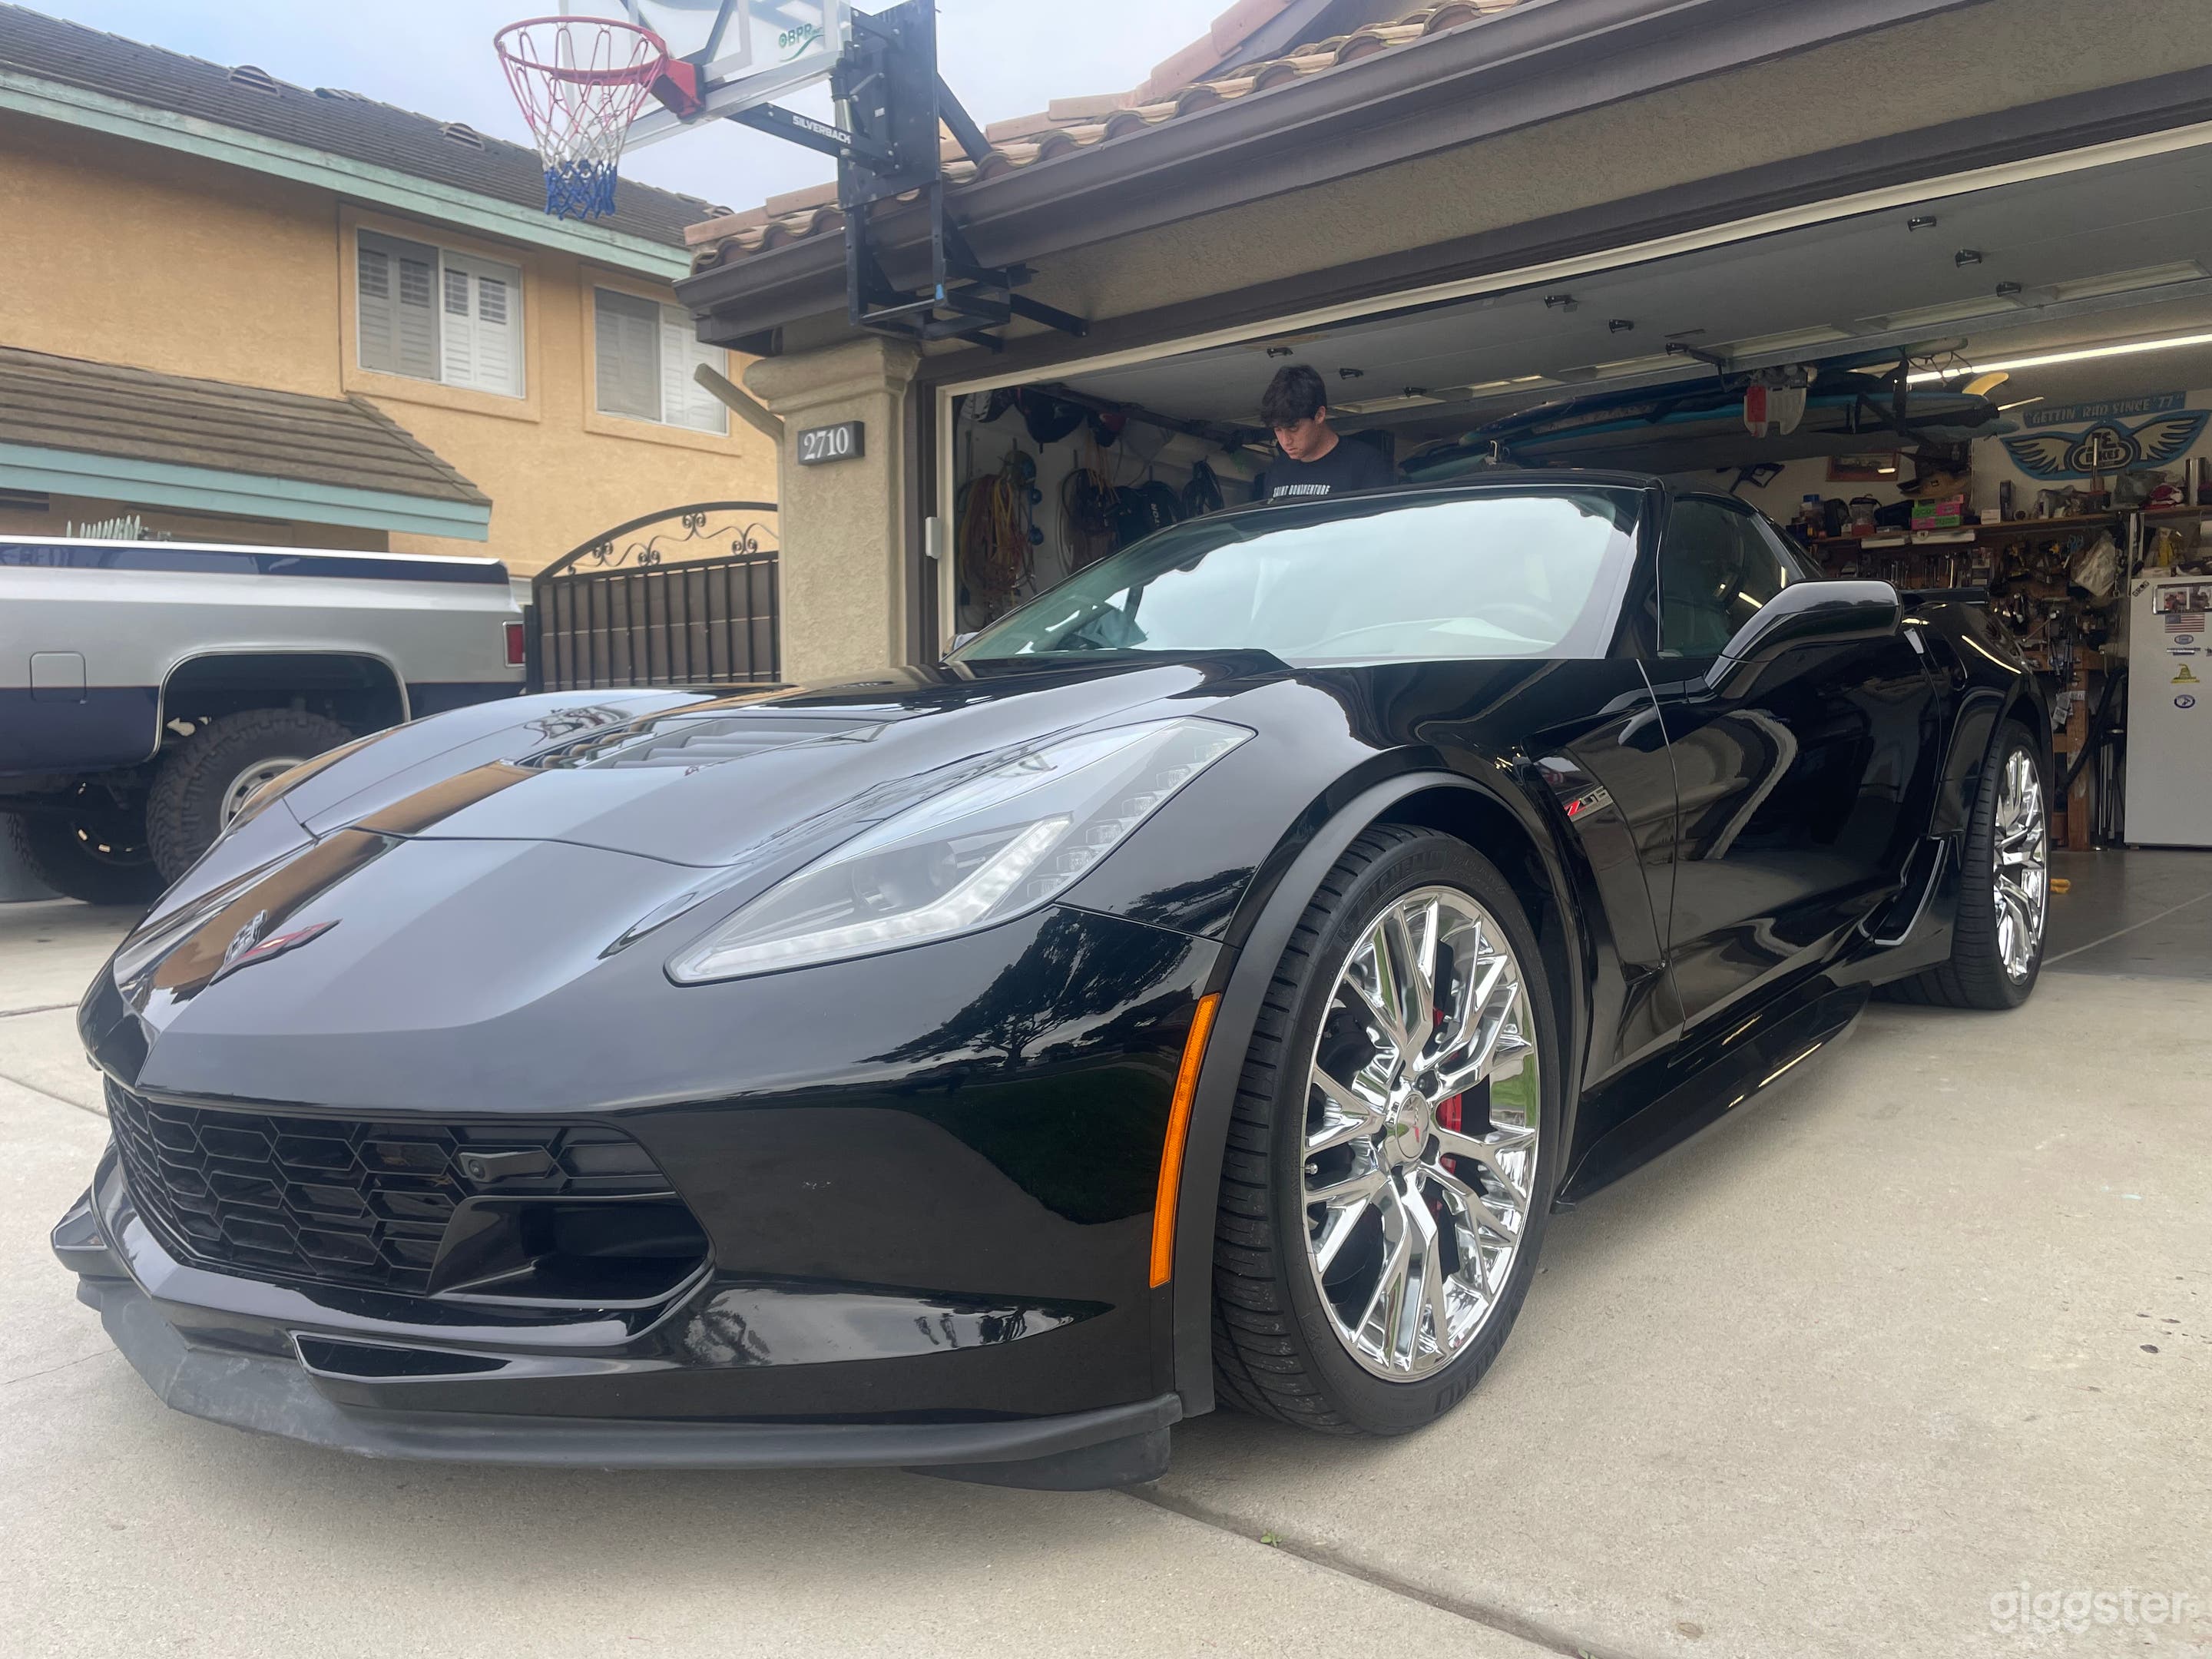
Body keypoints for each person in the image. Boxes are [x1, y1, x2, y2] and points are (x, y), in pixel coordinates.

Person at [1251, 363, 1397, 502]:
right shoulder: (1277, 469)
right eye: (1278, 430)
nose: (1285, 440)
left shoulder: (1366, 464)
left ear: (1319, 415)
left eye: (1293, 428)